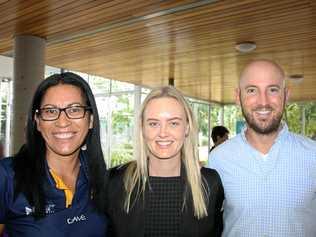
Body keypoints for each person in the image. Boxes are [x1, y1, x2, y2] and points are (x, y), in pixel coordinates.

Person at [208, 59, 316, 237]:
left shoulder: (313, 155)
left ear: (286, 95)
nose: (263, 101)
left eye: (273, 90)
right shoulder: (219, 159)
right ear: (238, 97)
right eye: (252, 90)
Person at [105, 86, 224, 237]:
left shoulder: (209, 183)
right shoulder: (115, 182)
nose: (163, 133)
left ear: (187, 127)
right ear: (142, 127)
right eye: (153, 123)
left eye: (173, 123)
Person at [0, 72, 108, 236]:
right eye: (50, 111)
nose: (62, 122)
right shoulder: (7, 176)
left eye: (74, 109)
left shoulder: (100, 177)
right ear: (37, 121)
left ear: (91, 119)